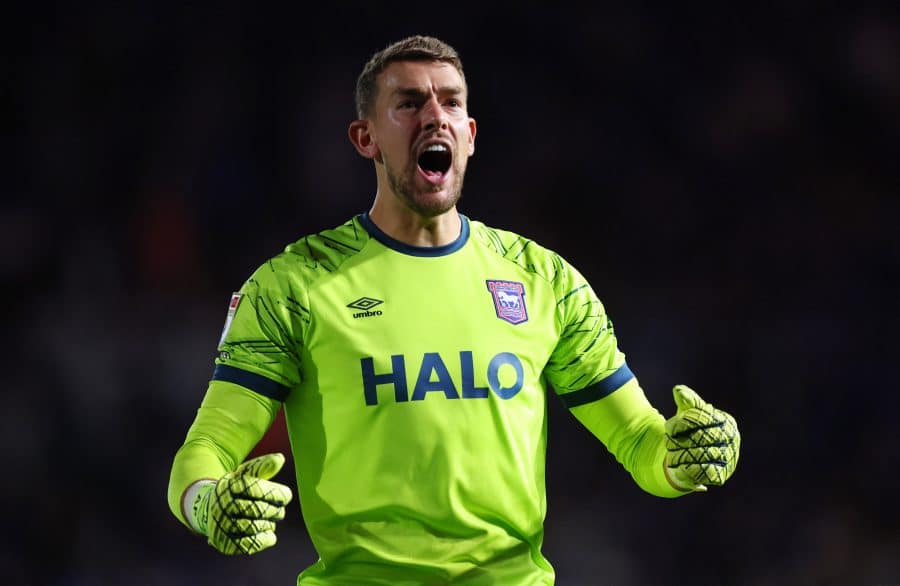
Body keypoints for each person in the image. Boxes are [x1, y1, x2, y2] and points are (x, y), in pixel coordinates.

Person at [167, 35, 741, 585]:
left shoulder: (545, 281)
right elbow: (205, 450)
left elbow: (641, 441)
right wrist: (207, 505)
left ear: (468, 134)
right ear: (365, 137)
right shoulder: (294, 285)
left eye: (451, 102)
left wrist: (682, 459)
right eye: (409, 103)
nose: (434, 115)